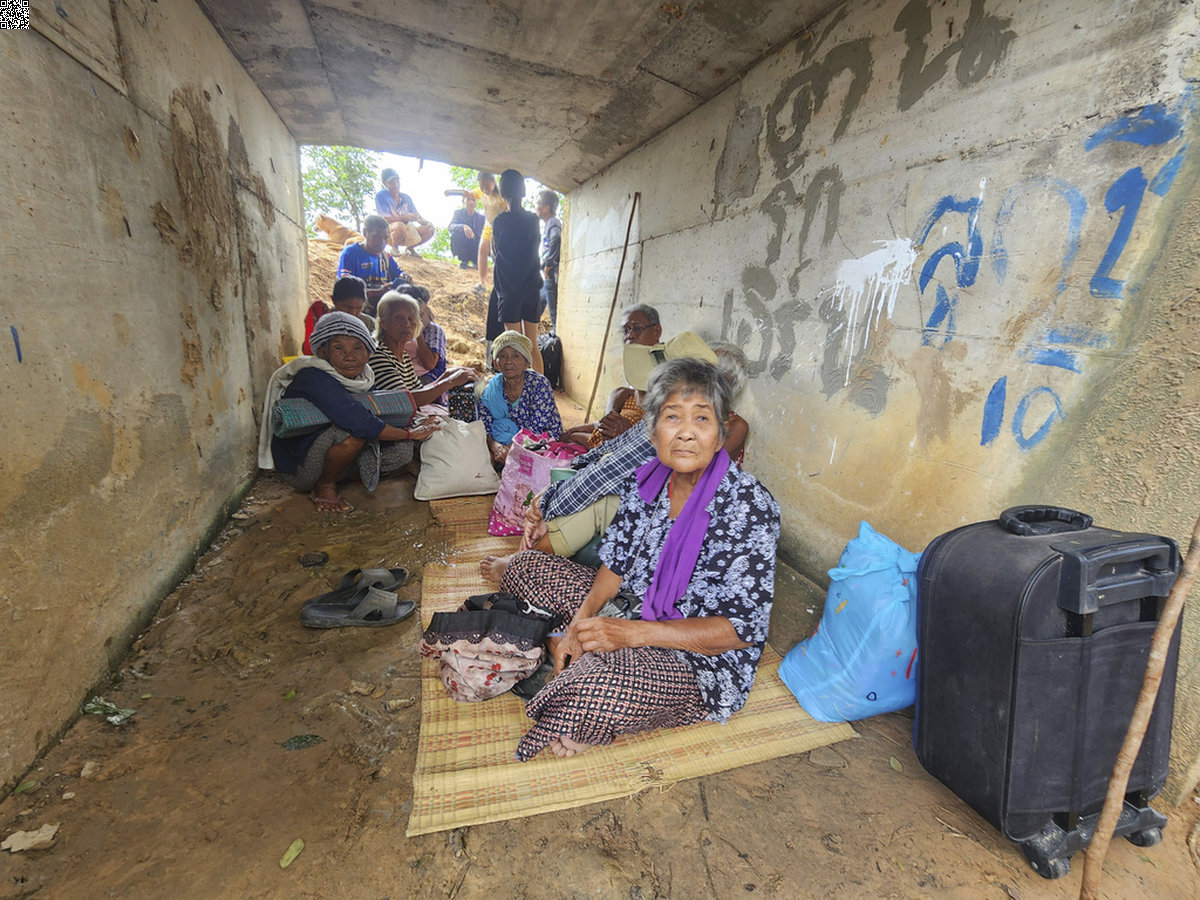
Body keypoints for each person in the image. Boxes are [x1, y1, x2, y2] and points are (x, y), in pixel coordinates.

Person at [494, 358, 780, 760]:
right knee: (524, 568)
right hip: (629, 610)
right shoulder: (647, 481)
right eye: (671, 417)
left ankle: (587, 679)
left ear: (720, 435)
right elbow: (614, 566)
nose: (685, 434)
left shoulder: (748, 506)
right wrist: (581, 624)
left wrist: (634, 635)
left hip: (696, 655)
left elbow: (740, 631)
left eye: (701, 419)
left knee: (595, 686)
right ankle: (575, 653)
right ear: (652, 430)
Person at [481, 332, 727, 579]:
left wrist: (546, 504)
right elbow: (610, 449)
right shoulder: (661, 418)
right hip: (651, 516)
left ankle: (523, 564)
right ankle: (528, 559)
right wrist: (561, 482)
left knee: (587, 505)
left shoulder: (673, 432)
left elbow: (603, 477)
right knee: (576, 485)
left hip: (663, 541)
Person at [257, 312, 441, 513]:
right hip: (301, 465)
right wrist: (410, 434)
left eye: (358, 347)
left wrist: (410, 431)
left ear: (368, 352)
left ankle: (344, 475)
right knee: (352, 433)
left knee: (401, 450)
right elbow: (358, 421)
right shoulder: (313, 375)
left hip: (337, 451)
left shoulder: (364, 377)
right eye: (338, 348)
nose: (350, 356)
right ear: (322, 351)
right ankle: (324, 485)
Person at [560, 303, 663, 447]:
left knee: (574, 439)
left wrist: (630, 433)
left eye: (637, 328)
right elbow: (624, 404)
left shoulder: (666, 368)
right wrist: (606, 420)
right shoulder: (635, 368)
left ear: (657, 331)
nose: (630, 335)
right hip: (617, 437)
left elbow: (658, 435)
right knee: (570, 436)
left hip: (640, 445)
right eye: (626, 330)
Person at [369, 292, 474, 414]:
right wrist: (450, 381)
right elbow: (404, 401)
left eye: (411, 318)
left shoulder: (403, 357)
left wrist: (448, 375)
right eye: (398, 318)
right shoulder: (379, 356)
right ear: (383, 323)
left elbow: (419, 390)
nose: (406, 324)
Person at [476, 331, 562, 466]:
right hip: (500, 442)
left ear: (527, 363)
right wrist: (495, 446)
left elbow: (537, 428)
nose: (508, 361)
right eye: (502, 356)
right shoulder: (490, 391)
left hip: (538, 439)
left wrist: (510, 449)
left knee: (536, 458)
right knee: (479, 458)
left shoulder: (539, 385)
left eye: (516, 356)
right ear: (496, 363)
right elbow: (484, 425)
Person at [491, 169, 544, 374]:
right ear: (522, 192)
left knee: (513, 346)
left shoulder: (500, 221)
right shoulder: (533, 220)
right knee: (531, 344)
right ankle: (541, 394)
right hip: (531, 287)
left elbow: (496, 253)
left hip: (508, 289)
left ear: (503, 193)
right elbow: (535, 247)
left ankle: (518, 398)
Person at [337, 215, 410, 313]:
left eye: (385, 238)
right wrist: (376, 293)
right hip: (360, 309)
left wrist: (404, 277)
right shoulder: (351, 253)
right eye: (376, 236)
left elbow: (398, 274)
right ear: (365, 233)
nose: (382, 242)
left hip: (384, 307)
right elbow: (345, 290)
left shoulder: (385, 256)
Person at [375, 168, 434, 254]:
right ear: (385, 183)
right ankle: (394, 249)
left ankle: (410, 249)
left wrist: (425, 222)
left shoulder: (406, 197)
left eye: (397, 181)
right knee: (400, 226)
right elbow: (384, 220)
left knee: (429, 229)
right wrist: (404, 217)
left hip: (407, 231)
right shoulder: (381, 196)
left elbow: (417, 215)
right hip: (388, 232)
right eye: (392, 183)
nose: (396, 185)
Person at [400, 285, 448, 384]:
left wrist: (418, 330)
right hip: (400, 376)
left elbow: (429, 364)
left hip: (425, 379)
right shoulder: (393, 327)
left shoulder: (433, 330)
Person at [474, 171, 507, 295]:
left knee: (498, 256)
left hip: (502, 229)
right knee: (482, 250)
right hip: (489, 226)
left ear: (493, 181)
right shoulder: (480, 192)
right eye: (481, 186)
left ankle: (500, 283)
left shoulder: (502, 196)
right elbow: (471, 194)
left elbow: (509, 211)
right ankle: (482, 283)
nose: (484, 189)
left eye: (486, 185)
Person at [537, 189, 562, 330]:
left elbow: (556, 238)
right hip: (546, 277)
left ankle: (557, 343)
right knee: (536, 306)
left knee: (554, 316)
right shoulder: (549, 224)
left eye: (539, 204)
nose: (537, 207)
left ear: (546, 208)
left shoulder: (553, 222)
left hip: (551, 275)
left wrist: (549, 264)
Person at [448, 193, 484, 269]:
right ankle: (464, 261)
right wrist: (463, 226)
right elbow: (450, 227)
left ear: (476, 203)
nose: (471, 202)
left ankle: (477, 261)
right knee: (455, 235)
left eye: (474, 200)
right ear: (463, 201)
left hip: (476, 246)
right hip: (463, 245)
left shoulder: (481, 218)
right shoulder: (458, 213)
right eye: (468, 200)